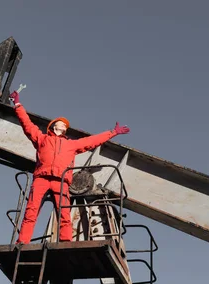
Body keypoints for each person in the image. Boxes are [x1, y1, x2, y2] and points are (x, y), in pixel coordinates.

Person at [8, 89, 130, 244]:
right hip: (42, 179)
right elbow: (27, 124)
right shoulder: (42, 139)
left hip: (61, 181)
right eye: (61, 123)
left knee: (64, 214)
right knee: (31, 212)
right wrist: (17, 104)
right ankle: (22, 242)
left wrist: (112, 133)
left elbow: (92, 141)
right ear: (53, 126)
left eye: (65, 125)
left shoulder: (71, 145)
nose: (64, 125)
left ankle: (65, 241)